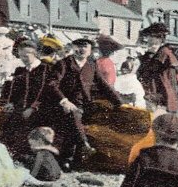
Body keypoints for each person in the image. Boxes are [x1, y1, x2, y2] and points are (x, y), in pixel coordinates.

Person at [44, 38, 123, 168]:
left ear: (90, 50)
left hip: (84, 104)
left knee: (80, 117)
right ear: (72, 47)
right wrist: (64, 100)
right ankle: (83, 145)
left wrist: (119, 102)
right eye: (77, 46)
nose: (81, 49)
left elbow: (104, 85)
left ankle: (69, 159)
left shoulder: (91, 65)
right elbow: (52, 84)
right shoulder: (63, 63)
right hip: (62, 104)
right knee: (74, 115)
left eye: (85, 46)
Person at [0, 40, 50, 158]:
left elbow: (45, 91)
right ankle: (9, 154)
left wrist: (32, 108)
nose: (23, 58)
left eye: (26, 56)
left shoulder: (45, 69)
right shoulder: (20, 70)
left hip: (39, 108)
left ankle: (24, 155)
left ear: (35, 54)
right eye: (21, 56)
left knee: (27, 126)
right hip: (21, 106)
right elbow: (14, 90)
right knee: (9, 124)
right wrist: (10, 103)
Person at [137, 23, 178, 112]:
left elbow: (151, 69)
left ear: (158, 38)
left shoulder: (164, 52)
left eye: (150, 36)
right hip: (155, 89)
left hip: (161, 90)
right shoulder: (155, 52)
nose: (147, 39)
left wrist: (147, 56)